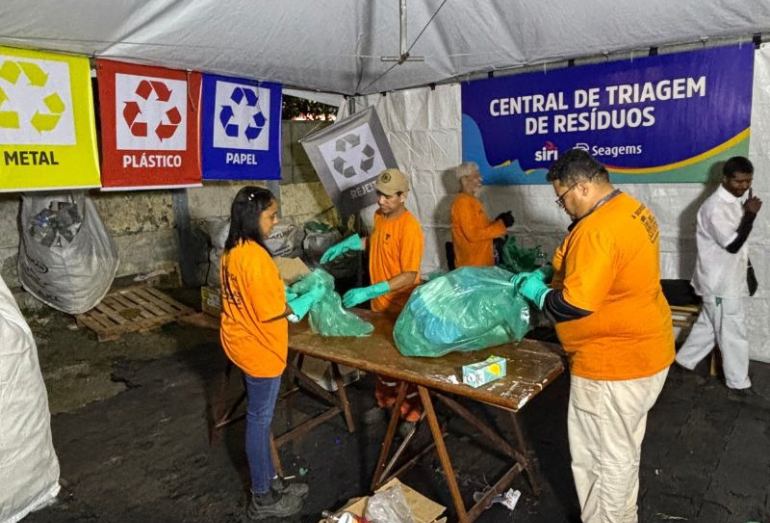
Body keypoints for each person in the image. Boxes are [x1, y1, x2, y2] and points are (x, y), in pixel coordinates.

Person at [512, 149, 674, 523]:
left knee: (603, 460)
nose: (562, 206)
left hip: (612, 366)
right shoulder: (630, 209)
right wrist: (547, 273)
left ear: (582, 187)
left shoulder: (597, 229)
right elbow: (593, 266)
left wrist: (537, 294)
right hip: (646, 349)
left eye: (562, 197)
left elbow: (574, 304)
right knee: (621, 449)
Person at [219, 186, 323, 520]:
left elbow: (250, 296)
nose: (275, 221)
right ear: (253, 217)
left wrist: (284, 291)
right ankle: (262, 498)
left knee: (259, 421)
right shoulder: (255, 257)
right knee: (259, 422)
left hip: (240, 342)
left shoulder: (232, 250)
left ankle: (271, 482)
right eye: (271, 215)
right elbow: (269, 311)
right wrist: (302, 302)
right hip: (260, 349)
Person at [320, 168, 424, 425]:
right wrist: (348, 244)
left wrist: (370, 290)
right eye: (379, 194)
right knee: (381, 359)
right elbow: (376, 240)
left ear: (403, 196)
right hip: (379, 307)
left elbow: (410, 274)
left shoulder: (410, 228)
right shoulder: (380, 216)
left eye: (388, 196)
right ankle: (386, 402)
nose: (380, 200)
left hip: (400, 308)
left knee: (402, 364)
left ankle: (411, 414)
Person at [675, 156, 764, 404]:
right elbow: (733, 244)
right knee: (732, 331)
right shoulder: (715, 207)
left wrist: (748, 273)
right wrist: (750, 215)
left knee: (710, 325)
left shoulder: (734, 202)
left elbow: (739, 248)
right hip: (719, 283)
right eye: (738, 181)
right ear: (724, 179)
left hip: (726, 280)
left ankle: (683, 363)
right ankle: (738, 384)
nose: (744, 186)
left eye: (748, 181)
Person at [450, 161, 514, 267]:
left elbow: (481, 228)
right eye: (476, 176)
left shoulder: (471, 200)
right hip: (472, 266)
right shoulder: (462, 203)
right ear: (464, 180)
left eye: (479, 175)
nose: (480, 179)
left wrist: (498, 221)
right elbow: (473, 235)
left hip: (481, 263)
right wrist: (501, 225)